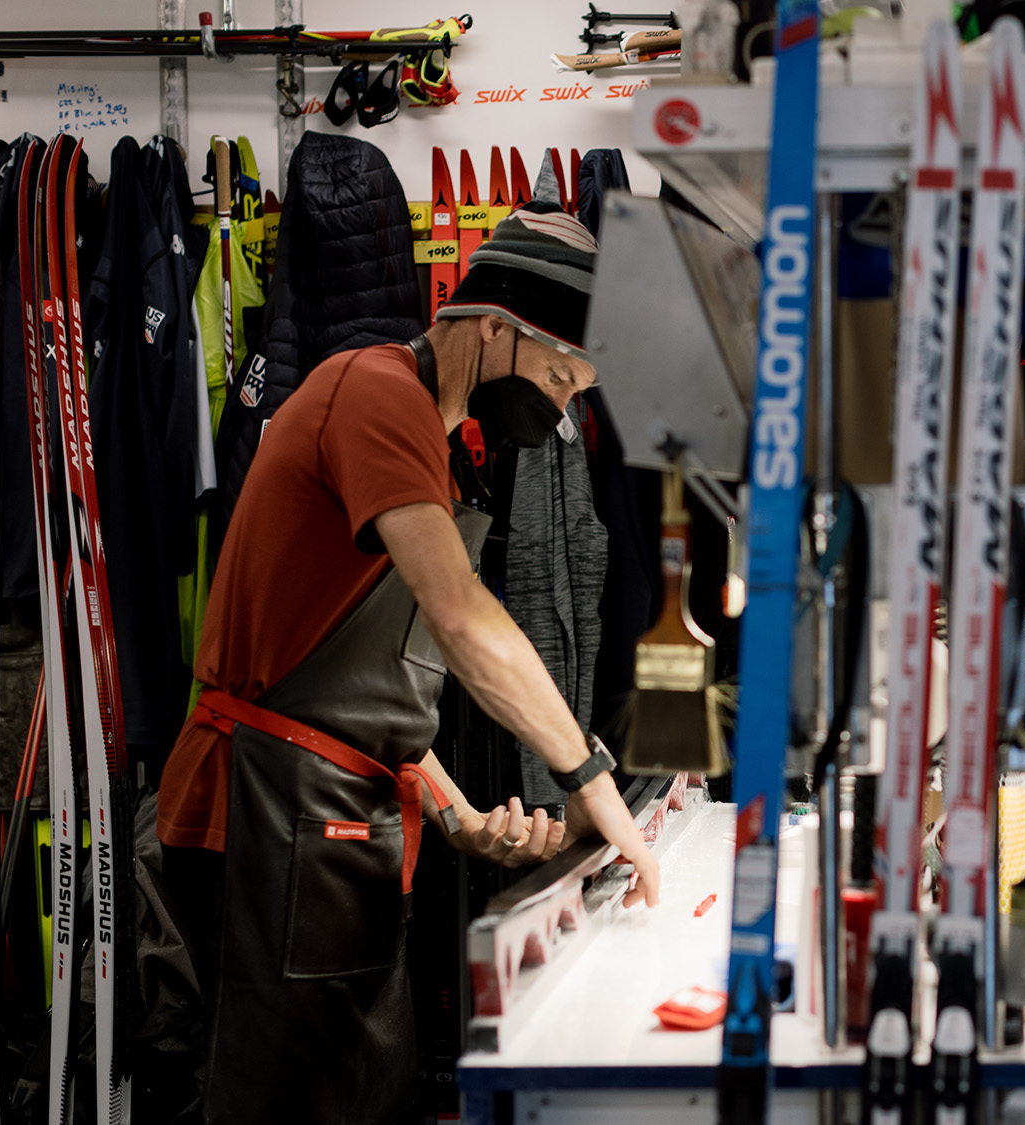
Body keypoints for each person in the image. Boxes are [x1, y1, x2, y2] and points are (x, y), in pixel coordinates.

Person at [155, 206, 662, 1124]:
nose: (558, 415)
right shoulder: (377, 392)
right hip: (271, 814)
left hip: (331, 814)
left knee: (363, 1095)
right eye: (558, 377)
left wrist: (462, 817)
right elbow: (464, 621)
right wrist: (592, 783)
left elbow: (354, 691)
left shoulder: (436, 441)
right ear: (498, 324)